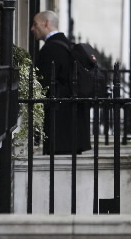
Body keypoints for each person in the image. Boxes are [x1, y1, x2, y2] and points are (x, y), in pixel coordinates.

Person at [31, 10, 91, 155]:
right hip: (73, 118)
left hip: (60, 121)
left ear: (46, 23)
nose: (32, 29)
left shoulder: (51, 48)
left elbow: (42, 83)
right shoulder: (66, 44)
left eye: (35, 24)